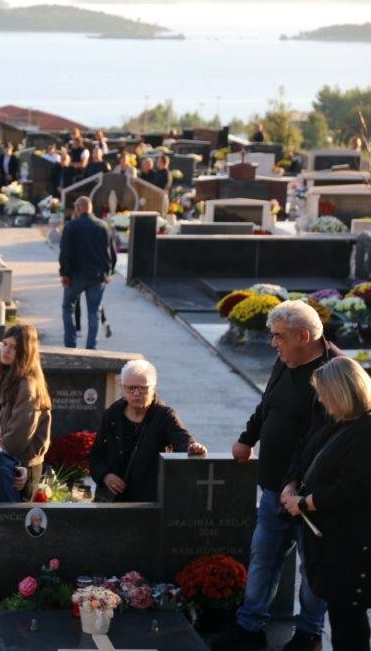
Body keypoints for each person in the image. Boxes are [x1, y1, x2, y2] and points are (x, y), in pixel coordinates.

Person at [213, 300, 341, 651]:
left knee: (312, 569)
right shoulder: (287, 360)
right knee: (263, 559)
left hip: (310, 497)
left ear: (304, 336)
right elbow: (268, 402)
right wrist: (247, 437)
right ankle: (250, 627)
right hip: (273, 488)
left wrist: (294, 483)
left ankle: (309, 634)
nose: (273, 344)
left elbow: (321, 439)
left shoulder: (334, 373)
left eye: (279, 336)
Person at [281, 357, 371, 651]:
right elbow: (307, 455)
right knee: (342, 617)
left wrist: (304, 502)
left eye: (324, 393)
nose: (320, 400)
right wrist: (291, 485)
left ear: (342, 392)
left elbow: (354, 488)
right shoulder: (339, 423)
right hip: (335, 545)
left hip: (352, 547)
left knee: (349, 623)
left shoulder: (365, 431)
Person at [88, 359, 206, 502]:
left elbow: (182, 440)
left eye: (143, 388)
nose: (136, 393)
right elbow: (95, 456)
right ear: (122, 388)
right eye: (131, 388)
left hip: (150, 501)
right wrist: (105, 475)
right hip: (113, 501)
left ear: (153, 388)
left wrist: (193, 449)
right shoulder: (111, 415)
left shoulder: (164, 416)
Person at [0, 323, 52, 499]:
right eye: (5, 344)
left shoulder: (27, 385)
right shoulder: (9, 378)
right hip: (6, 461)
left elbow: (18, 437)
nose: (6, 350)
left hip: (21, 467)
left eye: (13, 347)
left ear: (25, 352)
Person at [59, 196, 116, 350]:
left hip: (75, 277)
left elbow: (65, 253)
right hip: (97, 277)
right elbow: (111, 252)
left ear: (78, 208)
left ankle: (70, 344)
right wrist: (109, 272)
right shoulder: (103, 226)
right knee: (94, 312)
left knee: (68, 308)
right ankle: (91, 346)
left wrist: (65, 274)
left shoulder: (71, 226)